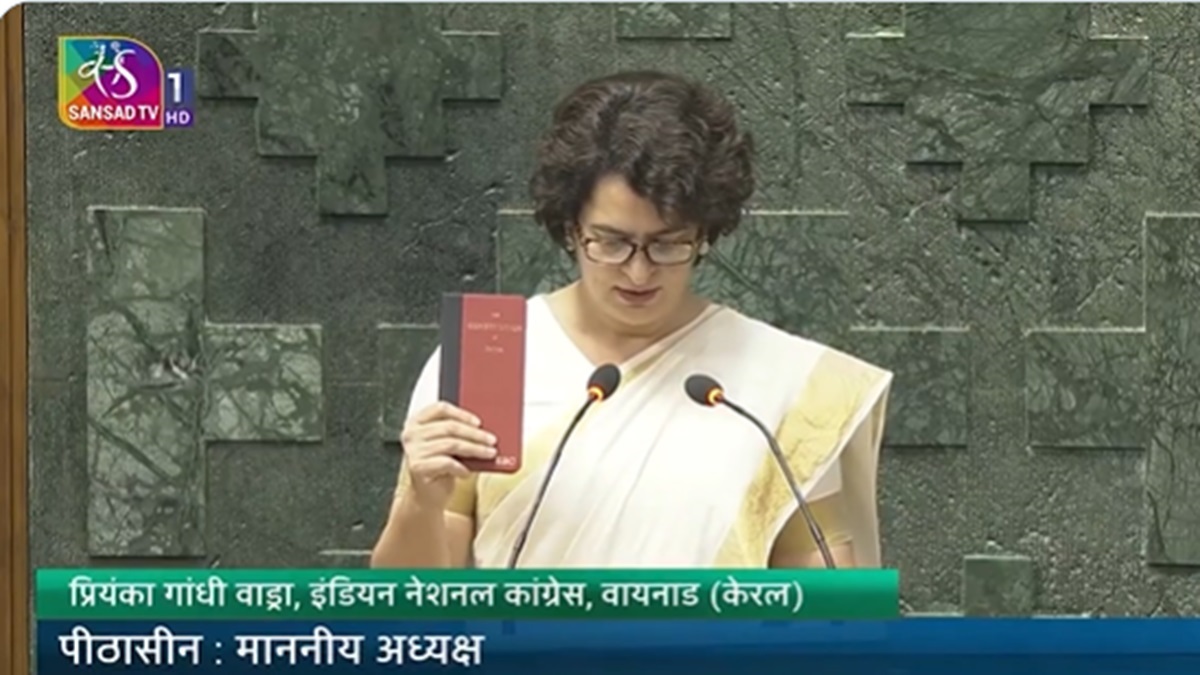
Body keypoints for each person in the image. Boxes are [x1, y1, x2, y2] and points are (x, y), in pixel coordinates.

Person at [371, 71, 893, 569]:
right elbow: (406, 606)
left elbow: (827, 594)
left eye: (668, 244)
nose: (638, 272)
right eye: (613, 242)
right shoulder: (493, 358)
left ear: (706, 233)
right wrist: (420, 499)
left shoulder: (786, 384)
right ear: (571, 228)